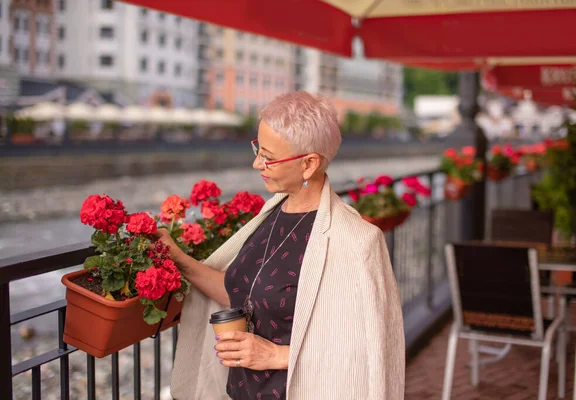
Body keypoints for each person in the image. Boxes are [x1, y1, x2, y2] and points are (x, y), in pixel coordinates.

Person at [155, 91, 405, 400]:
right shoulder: (272, 213)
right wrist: (178, 259)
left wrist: (276, 355)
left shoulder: (357, 241)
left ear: (309, 164)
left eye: (269, 157)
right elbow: (241, 292)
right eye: (258, 148)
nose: (256, 163)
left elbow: (370, 349)